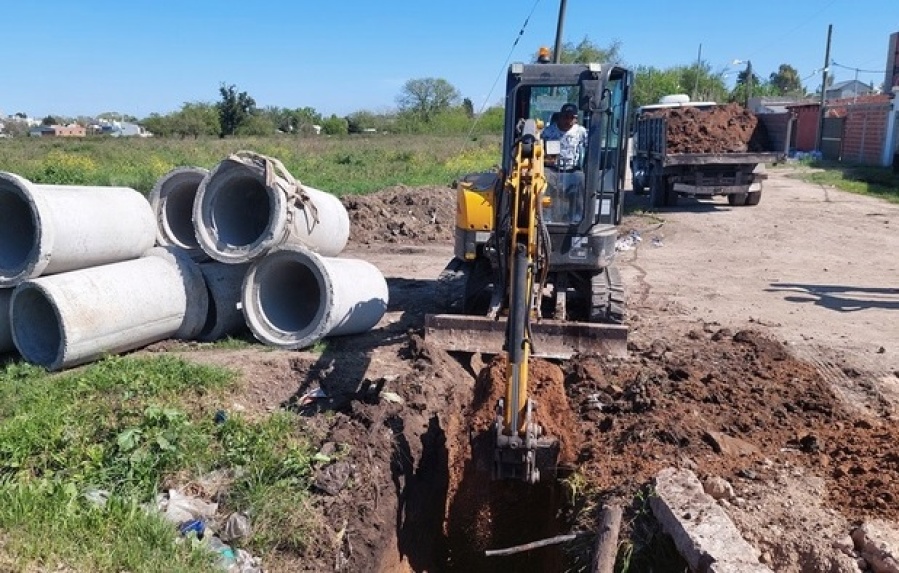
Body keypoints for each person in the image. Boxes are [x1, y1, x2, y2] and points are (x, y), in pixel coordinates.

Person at [542, 103, 587, 221]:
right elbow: (539, 150)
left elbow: (588, 148)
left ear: (576, 119)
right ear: (560, 117)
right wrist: (547, 158)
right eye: (565, 117)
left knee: (581, 178)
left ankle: (577, 217)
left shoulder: (581, 132)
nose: (568, 120)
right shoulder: (548, 132)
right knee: (542, 179)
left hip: (573, 170)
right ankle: (546, 217)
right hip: (552, 169)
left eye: (571, 117)